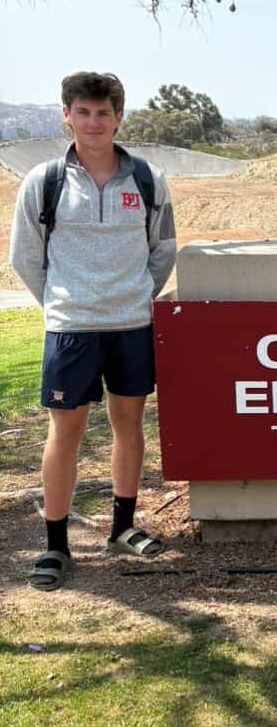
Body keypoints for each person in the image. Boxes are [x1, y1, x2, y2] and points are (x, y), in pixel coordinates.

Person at [9, 72, 177, 590]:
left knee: (130, 428)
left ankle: (123, 529)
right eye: (83, 112)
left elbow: (163, 249)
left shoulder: (147, 179)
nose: (94, 122)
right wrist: (65, 304)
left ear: (119, 118)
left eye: (104, 113)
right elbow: (26, 258)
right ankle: (55, 546)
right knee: (66, 434)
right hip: (71, 330)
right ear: (67, 115)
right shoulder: (44, 181)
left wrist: (132, 297)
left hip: (130, 325)